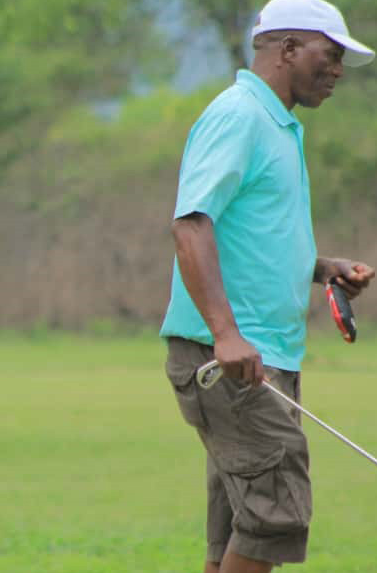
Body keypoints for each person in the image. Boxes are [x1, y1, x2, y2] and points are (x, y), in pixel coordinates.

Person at [160, 1, 375, 572]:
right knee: (276, 512)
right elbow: (192, 223)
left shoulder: (278, 123)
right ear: (286, 48)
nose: (337, 71)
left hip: (262, 355)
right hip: (229, 357)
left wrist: (320, 266)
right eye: (330, 56)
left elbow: (248, 233)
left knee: (240, 523)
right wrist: (226, 334)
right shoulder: (239, 116)